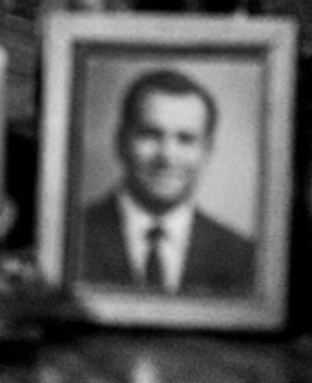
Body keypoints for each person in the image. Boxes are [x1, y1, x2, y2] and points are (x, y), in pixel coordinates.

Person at [78, 67, 255, 295]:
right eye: (150, 134)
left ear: (207, 151)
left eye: (186, 139)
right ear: (121, 141)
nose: (167, 156)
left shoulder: (243, 256)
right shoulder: (72, 236)